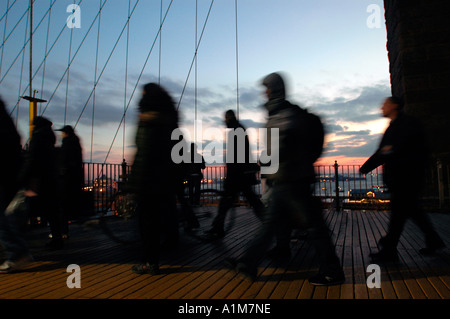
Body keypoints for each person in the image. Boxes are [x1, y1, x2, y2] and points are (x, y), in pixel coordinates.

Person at [227, 72, 345, 285]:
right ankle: (249, 262)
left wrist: (271, 164)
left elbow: (277, 150)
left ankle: (332, 271)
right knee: (275, 224)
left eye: (267, 88)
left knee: (311, 226)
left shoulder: (284, 115)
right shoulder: (281, 114)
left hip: (291, 180)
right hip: (286, 179)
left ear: (274, 90)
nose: (265, 92)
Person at [360, 96, 445, 262]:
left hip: (405, 178)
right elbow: (386, 150)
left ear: (395, 106)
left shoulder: (403, 125)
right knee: (413, 212)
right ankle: (434, 240)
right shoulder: (402, 124)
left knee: (398, 215)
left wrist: (366, 166)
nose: (382, 107)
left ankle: (389, 250)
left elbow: (387, 151)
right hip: (407, 177)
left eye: (385, 104)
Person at [127, 83, 179, 275]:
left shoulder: (148, 119)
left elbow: (143, 153)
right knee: (161, 216)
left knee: (146, 221)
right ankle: (165, 248)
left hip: (148, 179)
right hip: (165, 177)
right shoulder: (170, 118)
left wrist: (134, 181)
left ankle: (149, 262)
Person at [204, 110, 265, 240]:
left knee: (227, 203)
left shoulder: (234, 130)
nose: (224, 120)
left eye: (226, 118)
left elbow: (235, 156)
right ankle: (218, 227)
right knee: (251, 201)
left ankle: (218, 228)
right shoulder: (238, 129)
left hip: (237, 175)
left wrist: (230, 175)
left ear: (228, 118)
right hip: (242, 174)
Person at [18, 116, 63, 250]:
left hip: (36, 181)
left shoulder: (37, 138)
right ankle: (57, 238)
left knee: (25, 209)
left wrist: (22, 177)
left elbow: (32, 160)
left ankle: (17, 242)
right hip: (50, 180)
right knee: (51, 211)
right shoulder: (49, 139)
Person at [0, 98, 33, 273]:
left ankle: (16, 252)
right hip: (10, 172)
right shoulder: (5, 119)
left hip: (5, 173)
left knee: (3, 217)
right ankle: (17, 251)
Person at [56, 125, 83, 238]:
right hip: (74, 177)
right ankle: (64, 230)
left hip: (66, 178)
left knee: (61, 205)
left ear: (66, 133)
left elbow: (63, 158)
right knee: (67, 204)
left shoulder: (67, 143)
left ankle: (62, 231)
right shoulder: (76, 143)